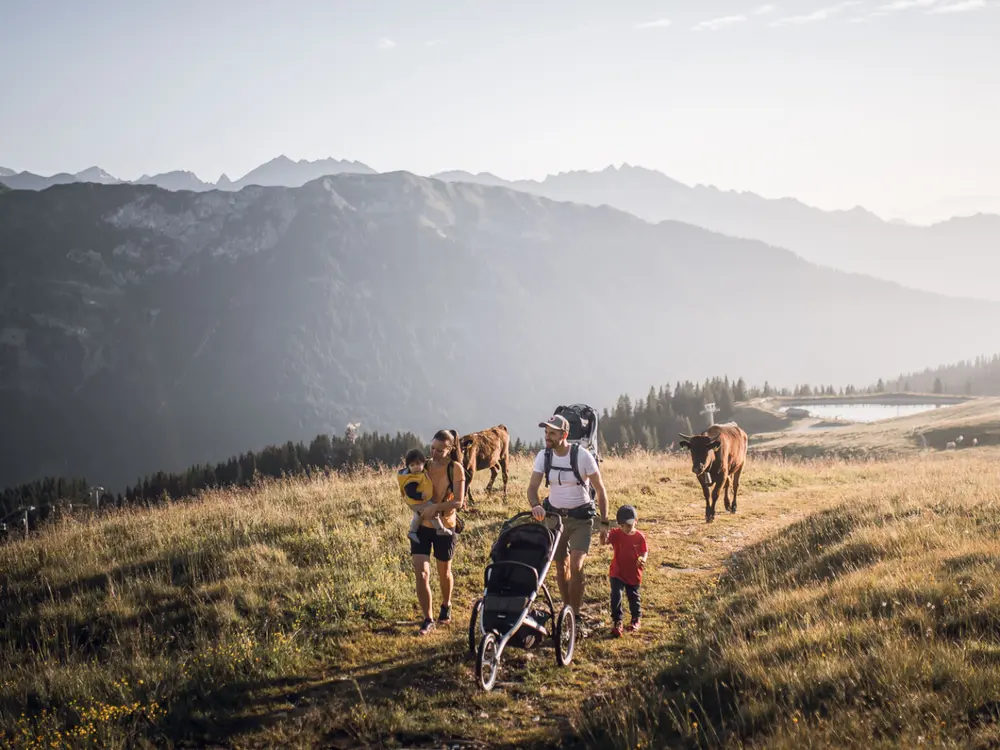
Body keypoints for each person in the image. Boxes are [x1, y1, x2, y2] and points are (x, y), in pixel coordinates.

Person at [527, 414, 610, 619]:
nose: (547, 437)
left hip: (581, 519)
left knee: (576, 565)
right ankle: (566, 613)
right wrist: (536, 505)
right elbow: (532, 489)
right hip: (554, 519)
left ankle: (575, 611)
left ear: (564, 435)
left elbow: (600, 489)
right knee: (560, 565)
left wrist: (605, 523)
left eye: (552, 433)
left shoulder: (582, 456)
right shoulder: (543, 456)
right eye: (546, 433)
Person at [411, 429, 466, 636]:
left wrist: (435, 508)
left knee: (444, 572)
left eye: (440, 450)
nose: (433, 453)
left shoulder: (456, 469)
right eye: (432, 448)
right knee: (422, 573)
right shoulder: (422, 466)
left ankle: (446, 604)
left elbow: (459, 502)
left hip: (446, 527)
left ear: (450, 450)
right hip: (422, 528)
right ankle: (428, 619)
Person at [604, 504, 647, 637]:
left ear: (636, 521)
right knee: (616, 595)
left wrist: (643, 559)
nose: (626, 529)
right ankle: (617, 621)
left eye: (629, 525)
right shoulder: (616, 534)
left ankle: (635, 618)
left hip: (633, 573)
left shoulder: (639, 537)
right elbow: (604, 541)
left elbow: (644, 551)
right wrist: (603, 532)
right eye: (622, 526)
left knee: (633, 597)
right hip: (617, 571)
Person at [397, 448, 453, 543]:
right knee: (431, 512)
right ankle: (440, 529)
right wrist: (420, 495)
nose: (415, 467)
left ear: (423, 463)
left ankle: (412, 532)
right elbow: (410, 492)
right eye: (412, 465)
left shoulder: (421, 473)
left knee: (419, 515)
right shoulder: (412, 478)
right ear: (408, 467)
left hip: (420, 501)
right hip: (417, 501)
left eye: (418, 464)